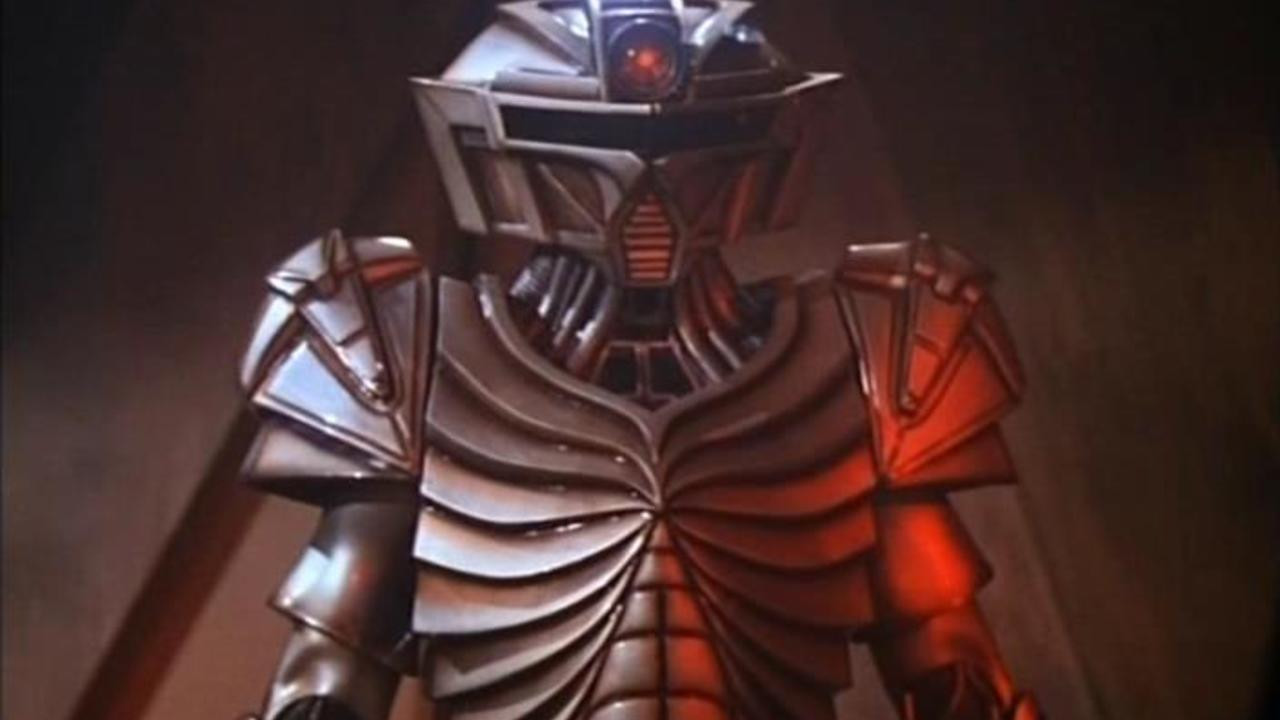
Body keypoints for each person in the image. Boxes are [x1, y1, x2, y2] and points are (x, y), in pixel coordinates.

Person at [239, 2, 1042, 718]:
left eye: (689, 136)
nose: (648, 183)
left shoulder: (870, 352)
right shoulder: (407, 358)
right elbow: (331, 671)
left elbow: (949, 663)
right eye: (590, 137)